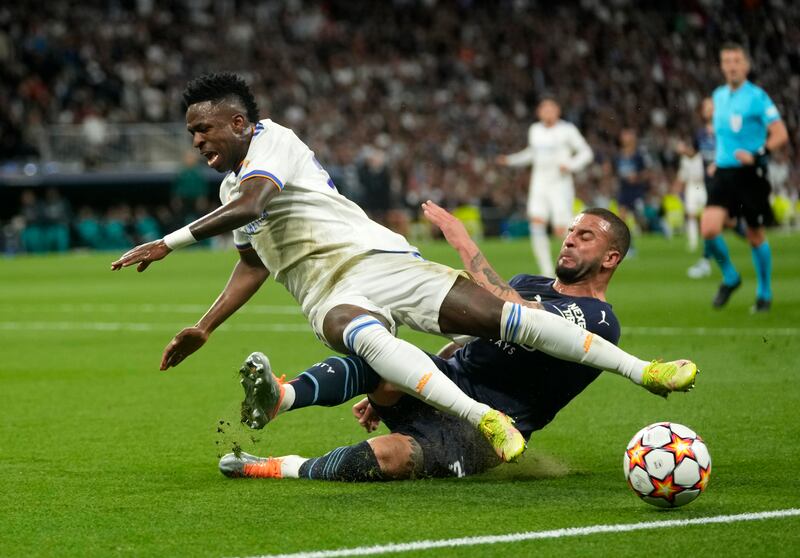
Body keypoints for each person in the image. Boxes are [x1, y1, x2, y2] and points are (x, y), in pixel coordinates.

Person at [110, 73, 696, 464]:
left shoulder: (272, 141)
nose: (196, 141)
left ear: (238, 123)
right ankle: (483, 418)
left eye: (202, 129)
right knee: (363, 340)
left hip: (382, 257)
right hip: (327, 290)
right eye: (191, 132)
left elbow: (253, 204)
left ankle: (644, 371)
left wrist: (168, 241)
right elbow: (250, 263)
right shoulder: (232, 183)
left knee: (502, 317)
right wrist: (207, 325)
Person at [218, 205, 687, 481]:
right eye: (569, 232)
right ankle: (282, 395)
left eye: (584, 237)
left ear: (610, 257)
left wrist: (463, 243)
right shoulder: (530, 280)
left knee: (390, 457)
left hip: (491, 428)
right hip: (450, 381)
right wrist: (398, 384)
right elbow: (463, 340)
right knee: (374, 349)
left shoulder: (600, 320)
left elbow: (533, 321)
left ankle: (277, 466)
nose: (569, 241)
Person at [701, 43, 788, 312]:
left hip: (751, 173)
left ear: (746, 65)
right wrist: (718, 160)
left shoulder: (757, 97)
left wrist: (758, 153)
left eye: (736, 60)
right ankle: (730, 276)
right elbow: (725, 136)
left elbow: (780, 133)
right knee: (709, 229)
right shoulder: (718, 96)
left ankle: (764, 293)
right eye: (727, 60)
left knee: (754, 235)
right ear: (721, 66)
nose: (732, 65)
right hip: (725, 171)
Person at [497, 97, 593, 277]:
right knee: (537, 223)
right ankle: (547, 271)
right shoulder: (535, 130)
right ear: (539, 112)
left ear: (558, 111)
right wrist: (510, 160)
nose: (547, 112)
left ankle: (578, 264)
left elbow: (586, 152)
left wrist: (571, 165)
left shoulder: (567, 130)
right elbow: (531, 154)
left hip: (560, 184)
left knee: (561, 230)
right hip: (539, 183)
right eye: (544, 108)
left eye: (551, 108)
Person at [687, 97, 716, 279]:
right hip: (709, 183)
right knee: (712, 224)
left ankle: (706, 262)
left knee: (710, 223)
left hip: (724, 181)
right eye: (704, 107)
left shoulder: (724, 130)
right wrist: (684, 150)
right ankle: (706, 261)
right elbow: (694, 152)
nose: (707, 110)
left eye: (710, 106)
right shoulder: (700, 134)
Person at [675, 139, 707, 255]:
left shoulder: (701, 157)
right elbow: (682, 176)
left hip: (703, 186)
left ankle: (707, 240)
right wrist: (677, 190)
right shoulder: (684, 160)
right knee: (691, 215)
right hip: (691, 187)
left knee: (705, 215)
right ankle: (693, 242)